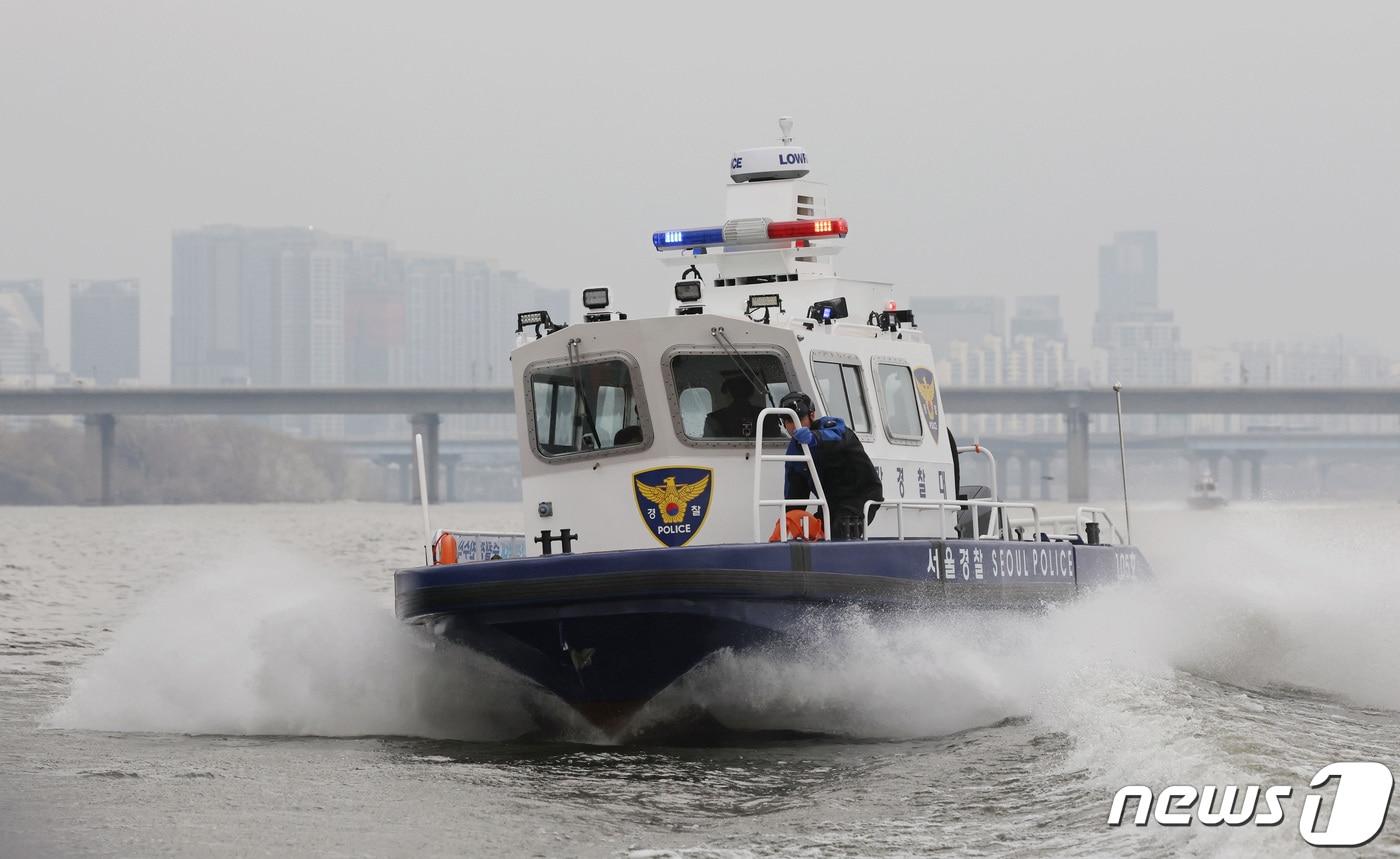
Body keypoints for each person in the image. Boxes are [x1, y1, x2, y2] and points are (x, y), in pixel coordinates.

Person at [778, 390, 883, 539]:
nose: (793, 426)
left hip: (860, 497)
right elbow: (795, 494)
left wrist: (814, 438)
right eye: (788, 421)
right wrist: (788, 521)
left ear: (812, 415)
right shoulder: (795, 451)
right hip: (829, 504)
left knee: (839, 531)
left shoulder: (831, 427)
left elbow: (838, 436)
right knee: (810, 532)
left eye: (798, 419)